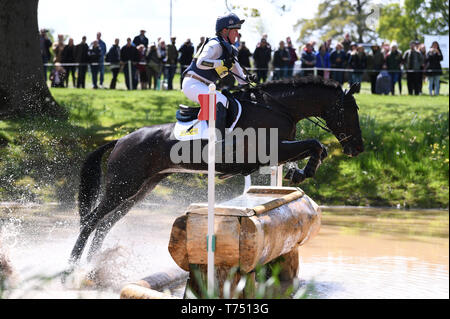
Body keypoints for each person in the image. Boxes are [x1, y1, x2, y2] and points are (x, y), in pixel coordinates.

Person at [181, 13, 255, 145]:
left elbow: (242, 80)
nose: (237, 34)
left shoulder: (230, 51)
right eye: (235, 31)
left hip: (205, 85)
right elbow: (200, 63)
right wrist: (221, 64)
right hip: (192, 83)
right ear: (225, 31)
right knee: (220, 100)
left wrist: (248, 78)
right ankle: (218, 142)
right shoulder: (214, 44)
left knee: (227, 100)